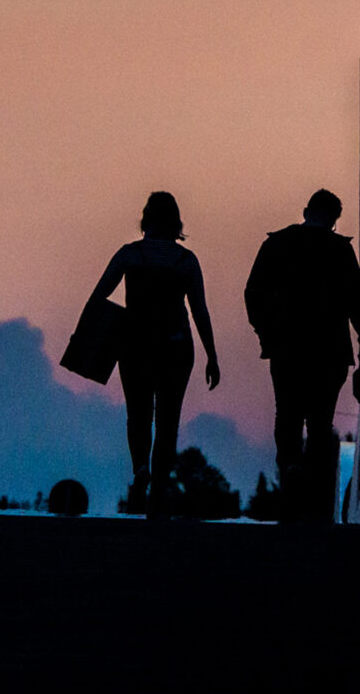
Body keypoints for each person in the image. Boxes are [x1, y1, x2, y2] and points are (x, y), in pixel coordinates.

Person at [244, 188, 360, 521]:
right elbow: (359, 308)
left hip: (286, 346)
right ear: (334, 220)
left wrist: (266, 334)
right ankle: (313, 491)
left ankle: (289, 470)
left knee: (287, 414)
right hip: (330, 351)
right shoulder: (341, 251)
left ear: (306, 211)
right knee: (320, 421)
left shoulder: (276, 244)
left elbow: (252, 293)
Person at [86, 191, 221, 514]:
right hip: (176, 347)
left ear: (146, 218)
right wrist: (212, 355)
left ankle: (140, 468)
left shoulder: (129, 254)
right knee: (168, 420)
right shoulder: (186, 261)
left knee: (138, 414)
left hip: (135, 344)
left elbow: (98, 297)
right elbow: (199, 310)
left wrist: (88, 341)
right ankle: (159, 487)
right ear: (176, 222)